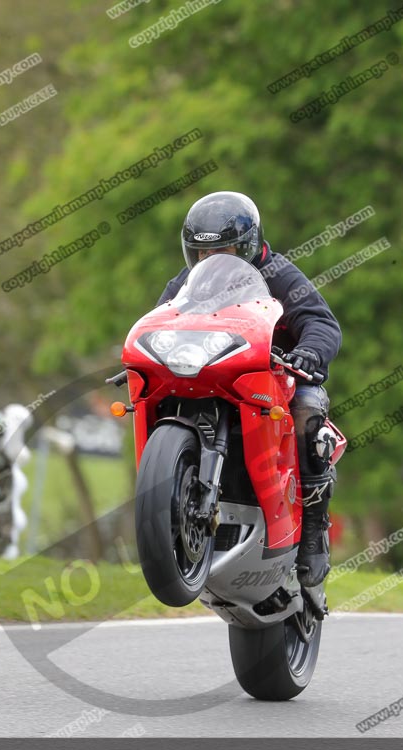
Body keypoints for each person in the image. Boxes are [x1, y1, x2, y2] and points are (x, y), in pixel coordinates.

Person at [156, 191, 342, 587]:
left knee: (308, 410)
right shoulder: (186, 284)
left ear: (248, 246)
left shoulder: (279, 274)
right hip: (211, 379)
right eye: (203, 254)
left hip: (278, 381)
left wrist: (308, 353)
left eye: (223, 251)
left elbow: (321, 322)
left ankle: (312, 530)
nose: (211, 261)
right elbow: (160, 320)